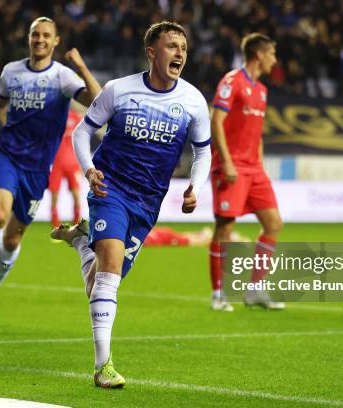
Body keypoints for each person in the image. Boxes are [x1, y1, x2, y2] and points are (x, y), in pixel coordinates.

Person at [51, 21, 211, 388]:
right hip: (110, 189)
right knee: (108, 272)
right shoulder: (118, 90)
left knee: (100, 284)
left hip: (147, 202)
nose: (180, 53)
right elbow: (82, 132)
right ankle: (102, 366)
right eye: (172, 46)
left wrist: (195, 189)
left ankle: (79, 242)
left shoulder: (192, 101)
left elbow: (203, 152)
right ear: (152, 52)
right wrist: (89, 170)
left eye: (183, 47)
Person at [0, 17, 101, 326]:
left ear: (55, 41)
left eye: (46, 35)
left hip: (37, 169)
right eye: (35, 34)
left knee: (11, 240)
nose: (40, 39)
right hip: (7, 154)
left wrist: (82, 67)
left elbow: (96, 101)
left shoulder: (63, 77)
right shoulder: (12, 71)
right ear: (29, 38)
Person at [208, 33, 285, 312]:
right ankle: (218, 295)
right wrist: (226, 161)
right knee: (225, 228)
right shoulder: (232, 82)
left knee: (274, 223)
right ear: (259, 55)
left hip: (254, 170)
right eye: (272, 54)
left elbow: (257, 134)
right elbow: (216, 121)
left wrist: (260, 166)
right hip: (232, 167)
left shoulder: (262, 91)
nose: (275, 60)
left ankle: (255, 290)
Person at [48, 108, 83, 228]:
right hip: (57, 163)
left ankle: (77, 222)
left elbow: (82, 137)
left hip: (72, 163)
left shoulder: (76, 117)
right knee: (54, 194)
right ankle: (55, 223)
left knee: (76, 194)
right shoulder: (54, 117)